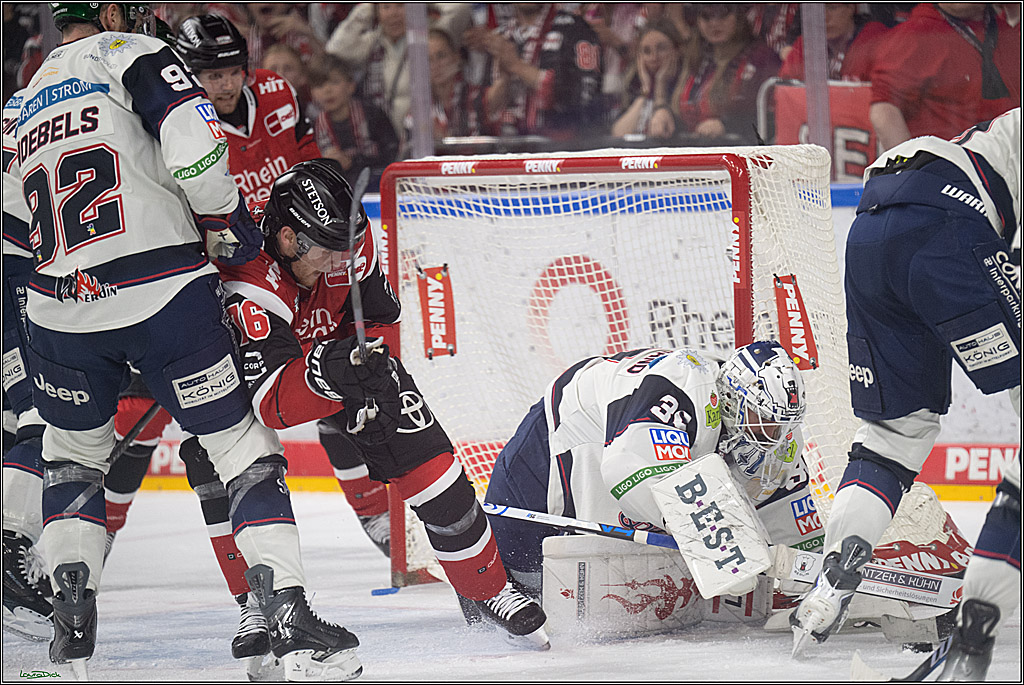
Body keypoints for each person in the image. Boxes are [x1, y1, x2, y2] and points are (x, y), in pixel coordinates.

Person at [12, 4, 361, 679]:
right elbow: (198, 148)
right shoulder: (136, 52)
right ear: (116, 12)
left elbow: (9, 218)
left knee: (72, 460)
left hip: (58, 305)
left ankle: (69, 646)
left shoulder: (23, 96)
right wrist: (227, 223)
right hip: (163, 289)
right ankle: (288, 617)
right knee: (238, 445)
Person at [192, 157, 550, 650]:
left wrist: (372, 371)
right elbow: (273, 404)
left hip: (332, 354)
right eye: (328, 252)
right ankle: (255, 606)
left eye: (347, 249)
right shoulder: (248, 278)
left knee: (419, 443)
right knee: (219, 464)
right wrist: (332, 375)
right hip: (237, 371)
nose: (342, 263)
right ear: (290, 240)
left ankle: (489, 588)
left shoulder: (349, 239)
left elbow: (378, 318)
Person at [789, 108, 1021, 677]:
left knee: (894, 432)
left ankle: (834, 577)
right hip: (946, 227)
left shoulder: (1001, 133)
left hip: (870, 230)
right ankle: (976, 632)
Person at [484, 342, 818, 599]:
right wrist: (721, 547)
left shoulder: (778, 436)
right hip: (560, 441)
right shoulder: (683, 387)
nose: (774, 436)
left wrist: (813, 575)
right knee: (509, 589)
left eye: (783, 425)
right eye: (765, 422)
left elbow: (788, 515)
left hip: (615, 447)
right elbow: (628, 468)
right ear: (732, 400)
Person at [175, 14, 321, 206]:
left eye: (235, 72)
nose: (228, 86)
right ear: (189, 76)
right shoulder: (180, 127)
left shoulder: (275, 90)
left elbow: (310, 158)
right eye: (216, 76)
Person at [868, 3, 1020, 151]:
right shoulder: (916, 34)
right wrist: (911, 168)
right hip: (953, 167)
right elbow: (884, 111)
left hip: (1007, 163)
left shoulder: (1006, 32)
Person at [475, 3, 604, 141]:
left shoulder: (576, 29)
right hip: (507, 149)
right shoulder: (500, 38)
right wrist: (505, 79)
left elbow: (583, 101)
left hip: (558, 150)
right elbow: (483, 112)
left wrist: (517, 66)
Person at [677, 4, 780, 144]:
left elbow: (772, 117)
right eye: (706, 16)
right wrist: (663, 111)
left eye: (723, 14)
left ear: (739, 15)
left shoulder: (761, 58)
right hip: (693, 150)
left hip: (740, 153)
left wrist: (727, 126)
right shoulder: (697, 58)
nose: (714, 23)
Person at [308, 54, 400, 194]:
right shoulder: (313, 126)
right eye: (320, 85)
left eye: (334, 82)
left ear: (351, 86)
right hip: (336, 194)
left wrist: (353, 161)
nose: (327, 90)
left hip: (378, 188)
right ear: (312, 93)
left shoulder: (373, 114)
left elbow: (393, 155)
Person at [610, 19, 691, 140]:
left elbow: (668, 132)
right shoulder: (635, 85)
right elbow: (619, 134)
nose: (654, 57)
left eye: (661, 48)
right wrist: (645, 91)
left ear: (677, 50)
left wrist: (660, 86)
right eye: (647, 51)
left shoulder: (690, 85)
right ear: (639, 57)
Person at [777, 4, 889, 82]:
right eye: (817, 8)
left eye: (831, 8)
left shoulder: (875, 40)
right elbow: (785, 88)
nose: (824, 16)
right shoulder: (805, 44)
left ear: (850, 8)